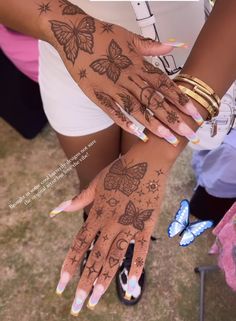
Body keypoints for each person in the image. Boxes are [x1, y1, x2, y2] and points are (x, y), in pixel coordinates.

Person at [1, 0, 236, 316]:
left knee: (130, 191)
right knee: (97, 184)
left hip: (190, 62)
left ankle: (123, 239)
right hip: (70, 62)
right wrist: (63, 24)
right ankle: (108, 233)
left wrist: (162, 144)